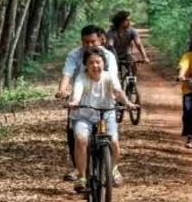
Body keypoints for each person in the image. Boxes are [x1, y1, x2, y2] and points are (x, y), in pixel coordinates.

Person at [55, 26, 118, 180]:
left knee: (112, 137)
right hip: (80, 101)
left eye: (93, 41)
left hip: (103, 101)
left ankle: (113, 168)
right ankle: (78, 169)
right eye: (85, 42)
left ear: (100, 40)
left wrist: (114, 93)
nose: (89, 45)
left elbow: (113, 77)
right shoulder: (74, 55)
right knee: (76, 135)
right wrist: (62, 91)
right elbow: (67, 74)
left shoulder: (108, 56)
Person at [68, 49, 134, 191]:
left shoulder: (110, 76)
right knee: (81, 140)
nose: (95, 66)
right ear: (86, 65)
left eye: (98, 62)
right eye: (91, 63)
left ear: (104, 63)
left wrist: (128, 103)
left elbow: (117, 91)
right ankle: (81, 177)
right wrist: (75, 101)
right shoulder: (81, 77)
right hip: (83, 116)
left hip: (106, 114)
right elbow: (78, 91)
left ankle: (114, 169)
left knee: (113, 140)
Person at [109, 10, 150, 77]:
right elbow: (110, 46)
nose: (129, 22)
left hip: (126, 54)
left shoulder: (132, 31)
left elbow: (138, 44)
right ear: (121, 22)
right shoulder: (111, 32)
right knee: (113, 72)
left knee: (133, 63)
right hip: (114, 56)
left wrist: (144, 57)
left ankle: (132, 80)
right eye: (127, 20)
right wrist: (112, 58)